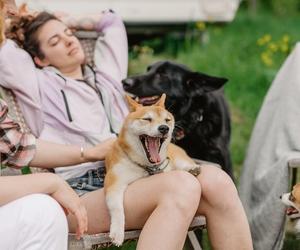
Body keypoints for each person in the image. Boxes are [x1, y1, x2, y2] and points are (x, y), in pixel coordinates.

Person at [0, 1, 253, 249]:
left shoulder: (108, 75)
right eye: (54, 41)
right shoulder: (36, 85)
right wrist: (15, 20)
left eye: (69, 34)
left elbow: (112, 22)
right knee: (181, 186)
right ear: (39, 59)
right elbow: (6, 53)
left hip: (142, 170)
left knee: (218, 182)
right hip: (86, 187)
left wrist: (65, 19)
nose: (68, 40)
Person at [0, 98, 117, 249]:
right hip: (82, 185)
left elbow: (17, 146)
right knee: (42, 211)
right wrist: (50, 182)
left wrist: (90, 153)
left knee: (43, 210)